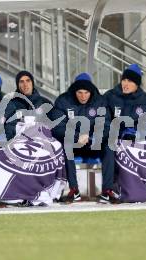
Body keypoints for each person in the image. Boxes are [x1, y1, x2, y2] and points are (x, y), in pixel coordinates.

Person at [50, 73, 118, 204]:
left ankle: (107, 191)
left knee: (109, 145)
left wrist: (92, 138)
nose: (83, 96)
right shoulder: (63, 101)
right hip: (74, 143)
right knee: (66, 146)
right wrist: (76, 137)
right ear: (74, 91)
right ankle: (73, 190)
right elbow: (57, 127)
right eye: (80, 92)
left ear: (91, 91)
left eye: (86, 92)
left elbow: (107, 125)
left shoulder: (100, 101)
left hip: (94, 143)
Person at [103, 64, 146, 141]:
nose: (126, 84)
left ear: (137, 84)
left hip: (137, 141)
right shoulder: (109, 96)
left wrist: (136, 135)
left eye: (130, 81)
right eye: (124, 80)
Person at [5, 70, 52, 140]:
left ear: (32, 83)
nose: (25, 84)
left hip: (42, 144)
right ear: (18, 85)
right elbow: (7, 127)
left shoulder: (45, 103)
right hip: (18, 145)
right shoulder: (10, 104)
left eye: (28, 81)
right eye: (21, 82)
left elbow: (54, 126)